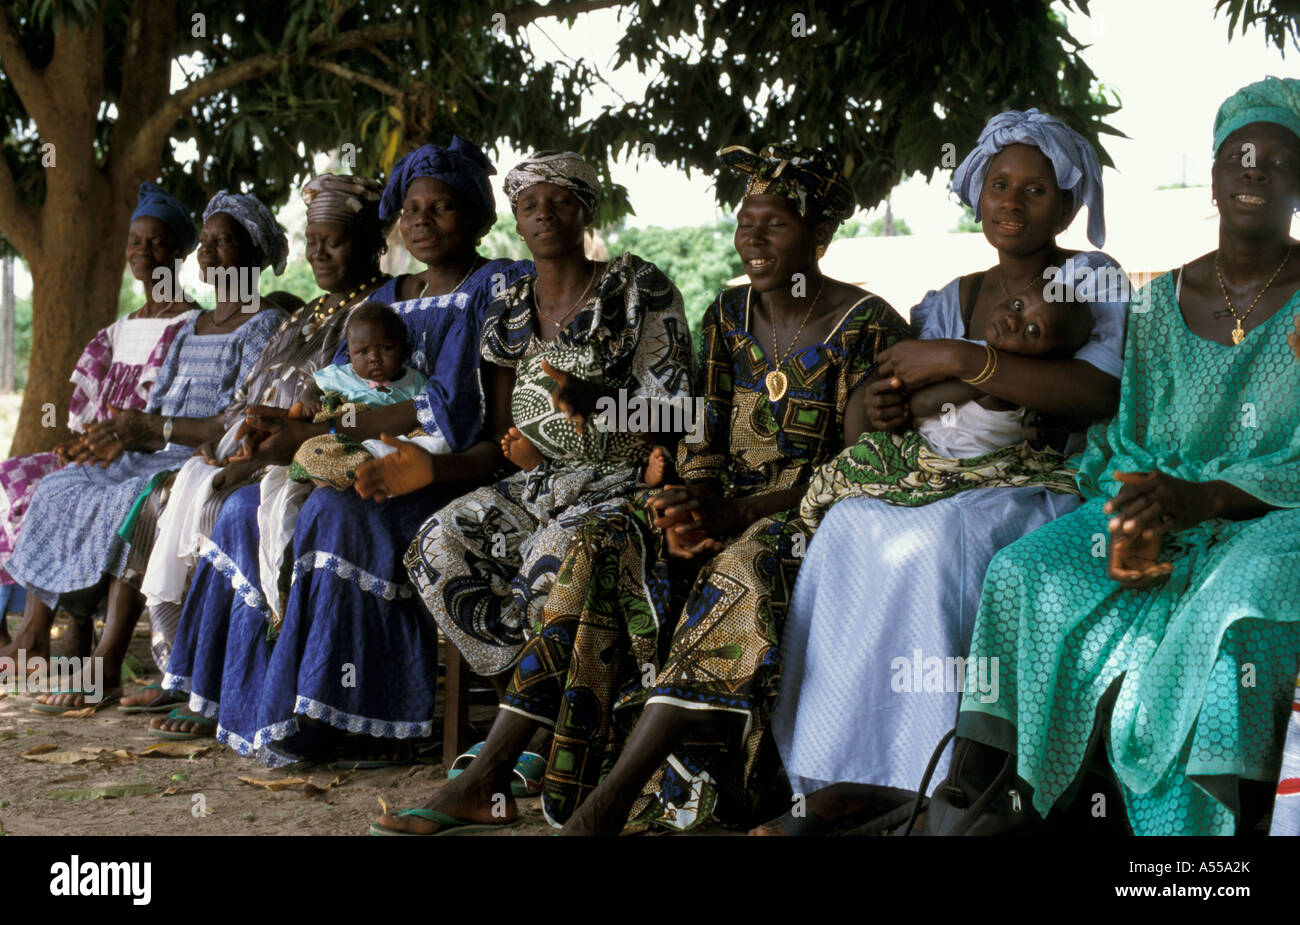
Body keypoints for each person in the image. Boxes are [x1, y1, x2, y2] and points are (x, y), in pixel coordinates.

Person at [371, 144, 909, 836]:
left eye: (774, 224)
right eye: (746, 222)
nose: (752, 238)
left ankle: (611, 800)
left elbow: (860, 466)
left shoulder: (869, 325)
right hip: (719, 502)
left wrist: (735, 511)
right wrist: (687, 503)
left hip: (806, 516)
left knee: (741, 570)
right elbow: (700, 431)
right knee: (601, 540)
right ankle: (491, 771)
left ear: (820, 236)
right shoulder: (730, 314)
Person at [938, 77, 1300, 837]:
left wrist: (1203, 499)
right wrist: (1136, 502)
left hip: (1274, 515)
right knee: (1023, 573)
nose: (1256, 169)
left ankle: (1204, 846)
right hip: (1163, 498)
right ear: (1212, 176)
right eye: (1239, 154)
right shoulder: (1159, 300)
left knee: (1240, 613)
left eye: (1278, 157)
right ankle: (994, 800)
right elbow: (1127, 434)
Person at [760, 109, 1129, 835]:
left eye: (1035, 189)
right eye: (998, 185)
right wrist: (889, 403)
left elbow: (1098, 391)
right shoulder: (950, 298)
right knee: (846, 528)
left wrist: (967, 360)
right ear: (975, 193)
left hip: (1034, 480)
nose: (1012, 203)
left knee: (935, 545)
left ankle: (931, 778)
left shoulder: (1085, 281)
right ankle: (840, 771)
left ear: (1067, 204)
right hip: (934, 468)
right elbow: (883, 407)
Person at [160, 137, 533, 755]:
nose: (421, 220)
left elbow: (447, 410)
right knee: (241, 507)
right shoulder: (385, 299)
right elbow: (334, 398)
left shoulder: (492, 287)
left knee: (336, 512)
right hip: (370, 458)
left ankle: (345, 715)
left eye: (440, 207)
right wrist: (286, 422)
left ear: (475, 216)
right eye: (411, 209)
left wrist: (342, 426)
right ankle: (248, 698)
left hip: (445, 470)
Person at [3, 192, 290, 713]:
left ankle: (107, 661)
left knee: (139, 498)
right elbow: (152, 411)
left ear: (255, 254)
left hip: (203, 458)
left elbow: (240, 418)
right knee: (57, 486)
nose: (210, 252)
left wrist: (151, 428)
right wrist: (117, 438)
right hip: (156, 451)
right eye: (206, 242)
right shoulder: (187, 328)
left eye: (226, 241)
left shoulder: (262, 325)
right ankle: (33, 635)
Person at [121, 175, 393, 719]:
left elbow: (346, 408)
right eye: (311, 241)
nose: (316, 253)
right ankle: (183, 670)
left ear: (372, 245)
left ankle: (228, 686)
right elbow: (244, 401)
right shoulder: (304, 315)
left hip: (307, 454)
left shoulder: (375, 315)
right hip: (254, 445)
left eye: (332, 241)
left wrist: (254, 449)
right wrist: (217, 444)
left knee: (223, 505)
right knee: (169, 493)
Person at [0, 182, 199, 632]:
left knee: (84, 495)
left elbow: (167, 422)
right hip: (102, 456)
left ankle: (72, 627)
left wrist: (110, 448)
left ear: (178, 255)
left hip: (148, 458)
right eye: (135, 241)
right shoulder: (118, 332)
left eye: (157, 243)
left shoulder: (190, 327)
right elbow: (92, 420)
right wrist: (79, 445)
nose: (142, 252)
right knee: (12, 479)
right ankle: (28, 631)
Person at [798, 275, 1092, 522]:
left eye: (1032, 330)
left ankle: (847, 480)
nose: (1013, 320)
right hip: (938, 448)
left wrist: (930, 384)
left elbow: (923, 405)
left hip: (944, 462)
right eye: (1018, 304)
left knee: (863, 455)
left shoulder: (991, 384)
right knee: (865, 404)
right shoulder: (985, 362)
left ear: (1047, 360)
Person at [288, 301, 433, 490]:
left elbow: (427, 413)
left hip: (391, 440)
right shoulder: (341, 375)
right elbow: (314, 386)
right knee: (316, 447)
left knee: (425, 442)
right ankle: (332, 472)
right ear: (350, 358)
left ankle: (364, 472)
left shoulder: (415, 382)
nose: (374, 358)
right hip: (348, 431)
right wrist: (309, 400)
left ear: (404, 351)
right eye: (362, 352)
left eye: (385, 348)